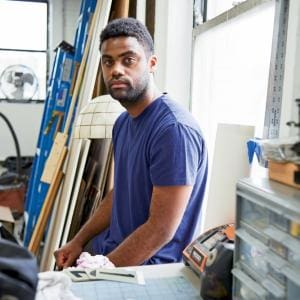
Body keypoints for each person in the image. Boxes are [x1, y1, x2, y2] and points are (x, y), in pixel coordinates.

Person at [54, 17, 208, 268]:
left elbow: (161, 230)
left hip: (151, 269)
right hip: (115, 252)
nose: (116, 69)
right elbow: (119, 194)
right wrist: (78, 241)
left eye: (128, 60)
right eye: (108, 61)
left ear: (152, 63)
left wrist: (104, 270)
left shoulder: (173, 130)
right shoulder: (123, 123)